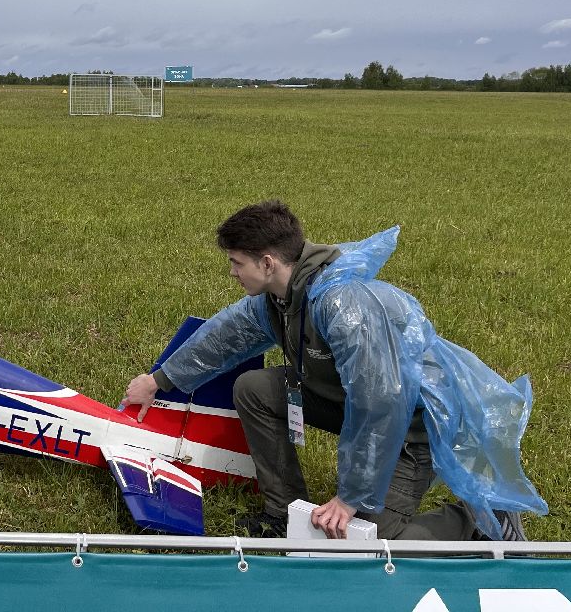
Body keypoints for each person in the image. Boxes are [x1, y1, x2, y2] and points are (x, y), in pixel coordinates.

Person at [122, 201, 546, 541]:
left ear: (268, 263)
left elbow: (382, 402)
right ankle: (283, 511)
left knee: (372, 541)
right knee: (255, 387)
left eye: (237, 262)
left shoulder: (344, 306)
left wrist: (350, 497)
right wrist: (157, 382)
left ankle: (475, 517)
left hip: (412, 428)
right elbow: (225, 337)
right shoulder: (282, 295)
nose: (232, 272)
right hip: (349, 400)